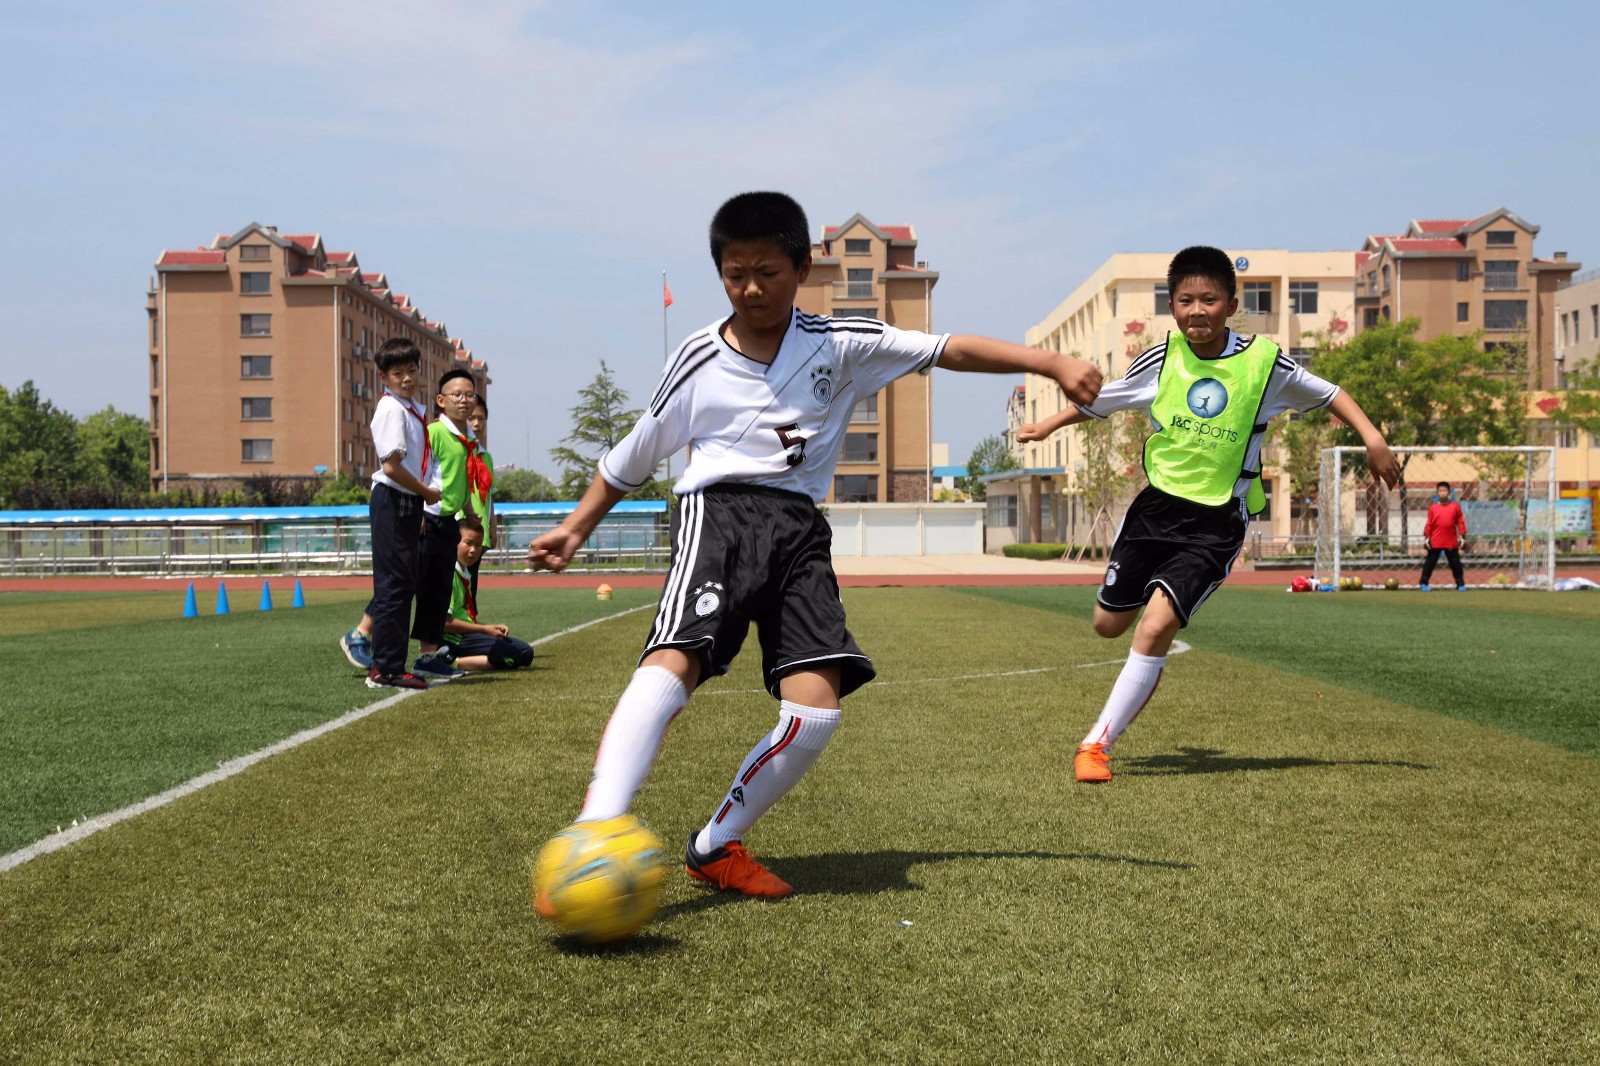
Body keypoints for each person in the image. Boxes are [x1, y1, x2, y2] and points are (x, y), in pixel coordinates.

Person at [528, 190, 1103, 901]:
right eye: (734, 273)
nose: (750, 288)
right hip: (721, 515)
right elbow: (634, 452)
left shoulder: (840, 344)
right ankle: (597, 827)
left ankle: (715, 844)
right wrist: (577, 525)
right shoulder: (698, 357)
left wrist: (1046, 362)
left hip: (801, 531)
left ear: (801, 267)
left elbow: (947, 348)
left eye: (766, 271)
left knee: (816, 708)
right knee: (677, 660)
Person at [1016, 245, 1399, 784]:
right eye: (1185, 300)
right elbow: (1107, 399)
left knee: (1153, 628)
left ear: (1231, 303)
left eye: (1209, 300)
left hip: (1216, 521)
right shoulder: (1162, 357)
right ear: (1172, 307)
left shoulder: (1264, 365)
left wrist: (1373, 438)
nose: (1197, 311)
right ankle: (1143, 667)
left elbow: (1331, 392)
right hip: (1154, 510)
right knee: (1107, 625)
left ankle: (1095, 746)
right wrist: (1049, 425)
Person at [342, 338, 442, 690]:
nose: (407, 379)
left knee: (403, 582)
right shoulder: (391, 410)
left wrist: (417, 505)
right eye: (398, 373)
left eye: (412, 371)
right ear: (383, 376)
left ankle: (388, 665)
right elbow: (392, 466)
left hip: (406, 500)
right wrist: (427, 493)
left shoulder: (413, 408)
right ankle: (386, 668)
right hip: (393, 496)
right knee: (394, 584)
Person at [410, 368, 480, 681]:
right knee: (415, 586)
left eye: (469, 395)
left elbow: (458, 477)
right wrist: (419, 512)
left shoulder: (468, 437)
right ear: (441, 400)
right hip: (430, 518)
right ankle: (369, 639)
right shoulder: (435, 432)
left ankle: (428, 655)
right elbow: (420, 473)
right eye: (457, 395)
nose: (464, 400)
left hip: (449, 519)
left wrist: (467, 509)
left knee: (438, 591)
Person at [443, 515, 534, 671]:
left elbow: (464, 616)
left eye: (478, 545)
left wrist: (489, 627)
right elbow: (444, 623)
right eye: (468, 543)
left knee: (526, 652)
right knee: (513, 655)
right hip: (454, 639)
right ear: (454, 542)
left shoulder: (465, 573)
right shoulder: (448, 574)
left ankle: (460, 658)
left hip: (467, 634)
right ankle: (450, 660)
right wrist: (484, 630)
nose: (473, 550)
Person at [465, 395, 495, 598]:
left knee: (471, 584)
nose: (477, 423)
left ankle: (469, 623)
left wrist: (492, 525)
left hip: (479, 531)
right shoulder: (458, 450)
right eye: (472, 417)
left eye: (481, 418)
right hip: (460, 529)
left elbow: (490, 494)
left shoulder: (486, 456)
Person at [1419, 481, 1467, 591]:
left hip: (1450, 540)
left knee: (1455, 564)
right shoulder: (1433, 508)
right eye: (1440, 491)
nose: (1442, 493)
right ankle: (1423, 583)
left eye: (1444, 490)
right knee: (1430, 563)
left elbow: (1460, 522)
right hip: (1436, 540)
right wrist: (1427, 537)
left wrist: (1462, 535)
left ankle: (1460, 584)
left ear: (1449, 492)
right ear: (1437, 493)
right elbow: (1429, 523)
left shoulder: (1455, 507)